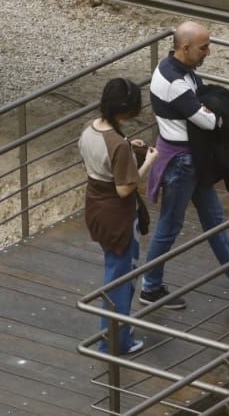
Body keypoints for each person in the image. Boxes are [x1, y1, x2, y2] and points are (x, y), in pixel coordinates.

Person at [139, 21, 229, 308]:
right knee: (169, 226)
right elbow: (209, 121)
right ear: (185, 48)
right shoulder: (175, 82)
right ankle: (149, 288)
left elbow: (203, 111)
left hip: (190, 160)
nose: (208, 52)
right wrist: (216, 114)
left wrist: (208, 110)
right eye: (204, 47)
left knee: (213, 219)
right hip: (182, 163)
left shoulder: (174, 70)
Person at [82, 77, 158, 356]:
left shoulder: (90, 129)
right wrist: (148, 162)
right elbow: (125, 188)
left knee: (114, 270)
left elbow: (104, 157)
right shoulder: (119, 145)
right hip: (118, 217)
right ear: (127, 109)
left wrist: (126, 144)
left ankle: (118, 331)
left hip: (95, 208)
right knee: (120, 277)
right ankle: (115, 341)